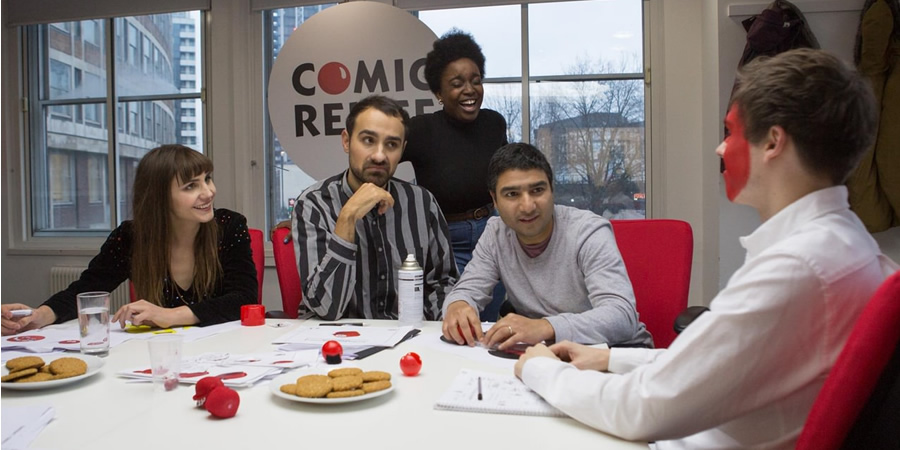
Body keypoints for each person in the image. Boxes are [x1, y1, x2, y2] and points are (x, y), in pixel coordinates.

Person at [514, 49, 900, 448]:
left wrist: (542, 371)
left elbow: (643, 410)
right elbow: (715, 367)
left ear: (772, 142)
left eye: (731, 132)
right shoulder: (846, 244)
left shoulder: (796, 267)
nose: (720, 148)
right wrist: (611, 359)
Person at [1, 145, 258, 335]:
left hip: (225, 349)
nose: (209, 192)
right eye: (191, 186)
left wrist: (169, 316)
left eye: (207, 179)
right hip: (160, 353)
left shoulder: (228, 225)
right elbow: (85, 290)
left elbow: (244, 299)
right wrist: (38, 316)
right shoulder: (131, 237)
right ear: (159, 197)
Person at [441, 142, 652, 351]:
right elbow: (468, 289)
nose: (528, 206)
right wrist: (458, 305)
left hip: (617, 352)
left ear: (552, 190)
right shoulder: (496, 234)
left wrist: (546, 326)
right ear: (494, 200)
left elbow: (622, 316)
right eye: (512, 194)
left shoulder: (588, 231)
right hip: (549, 353)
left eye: (537, 190)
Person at [292, 95, 458, 321]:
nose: (380, 155)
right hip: (335, 342)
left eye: (391, 144)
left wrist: (422, 332)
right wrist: (348, 217)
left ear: (403, 149)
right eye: (368, 140)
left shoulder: (422, 202)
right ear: (346, 141)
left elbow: (443, 282)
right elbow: (326, 308)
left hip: (406, 339)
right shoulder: (313, 204)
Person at [402, 30, 508, 321]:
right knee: (452, 325)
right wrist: (334, 204)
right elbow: (377, 164)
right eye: (457, 83)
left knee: (488, 326)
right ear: (438, 92)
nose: (470, 89)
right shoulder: (421, 130)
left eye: (476, 80)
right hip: (444, 244)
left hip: (492, 239)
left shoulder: (494, 124)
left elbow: (510, 176)